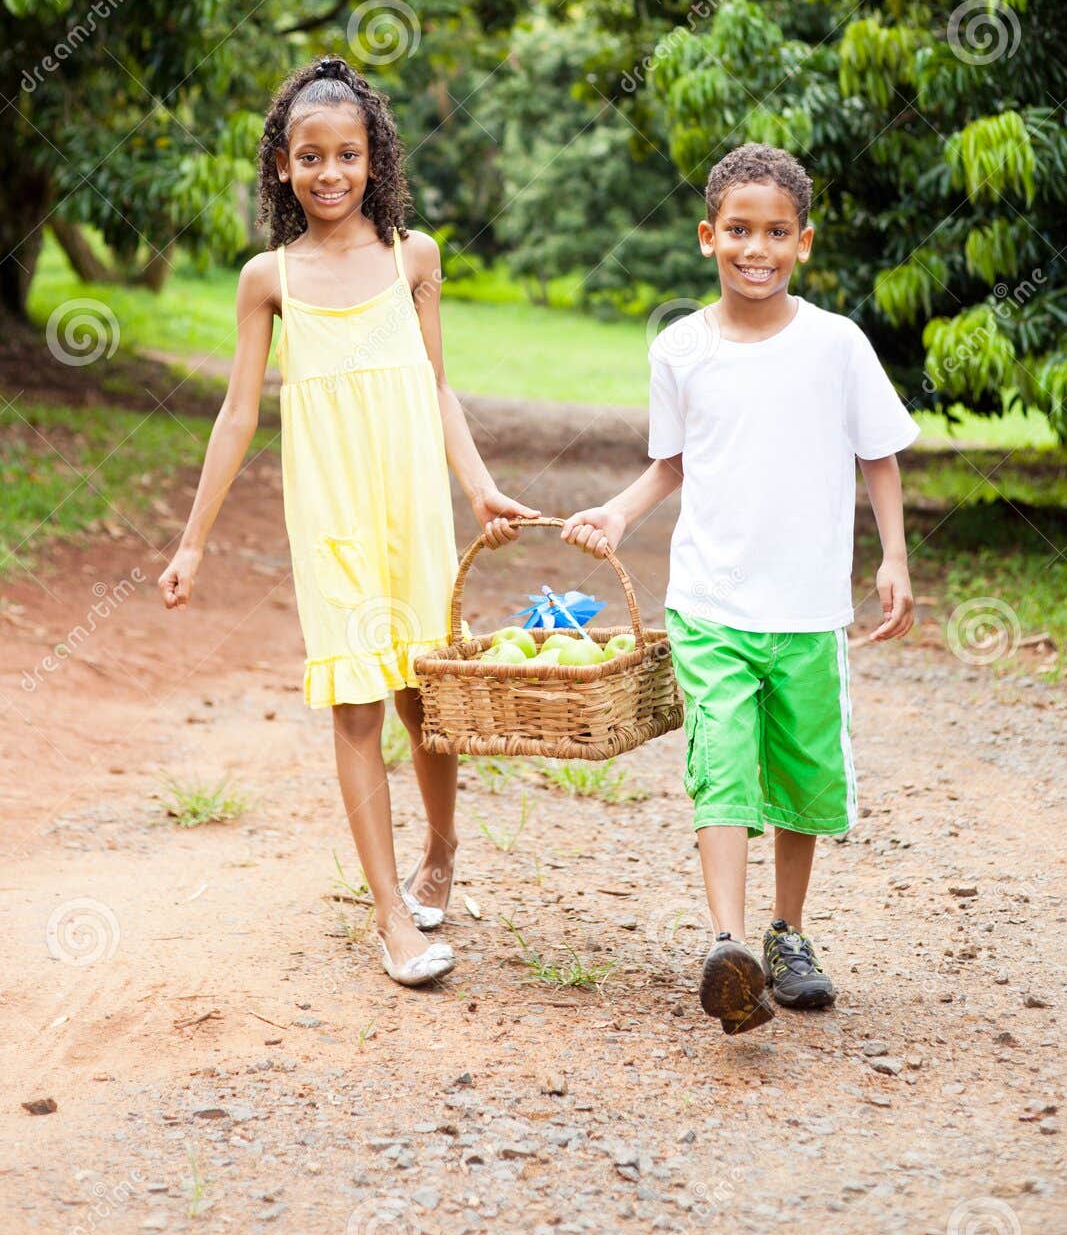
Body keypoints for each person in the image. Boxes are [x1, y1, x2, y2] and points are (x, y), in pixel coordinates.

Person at [159, 56, 536, 988]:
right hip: (330, 519)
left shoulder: (415, 256)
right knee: (359, 705)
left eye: (347, 155)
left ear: (375, 159)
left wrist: (479, 486)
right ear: (281, 168)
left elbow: (439, 388)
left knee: (426, 703)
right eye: (309, 157)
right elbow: (238, 414)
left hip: (413, 510)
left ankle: (440, 851)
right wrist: (193, 540)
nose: (330, 173)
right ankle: (390, 921)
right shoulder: (268, 279)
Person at [562, 143, 919, 1035]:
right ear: (705, 236)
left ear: (803, 241)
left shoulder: (835, 344)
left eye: (773, 232)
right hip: (710, 602)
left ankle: (787, 934)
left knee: (799, 774)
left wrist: (893, 557)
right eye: (736, 230)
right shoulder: (681, 347)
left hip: (805, 607)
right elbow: (672, 464)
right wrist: (615, 514)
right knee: (720, 764)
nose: (753, 248)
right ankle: (727, 946)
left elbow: (877, 454)